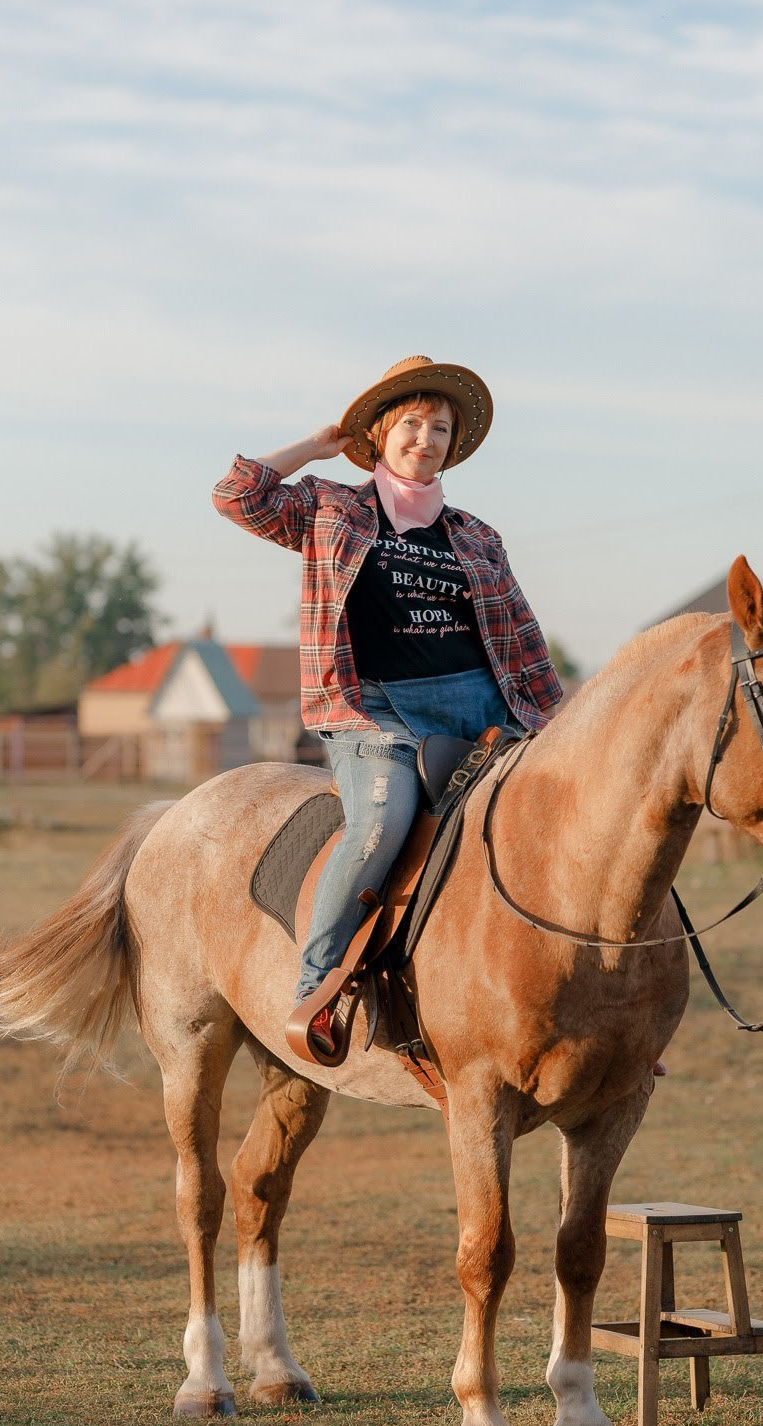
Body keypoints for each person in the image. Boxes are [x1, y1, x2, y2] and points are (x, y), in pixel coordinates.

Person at [212, 356, 562, 1055]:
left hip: (480, 706)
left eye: (440, 427)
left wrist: (557, 732)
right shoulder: (329, 508)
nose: (425, 439)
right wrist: (318, 444)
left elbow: (524, 642)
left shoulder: (477, 536)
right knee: (382, 822)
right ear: (380, 433)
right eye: (411, 424)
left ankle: (596, 1002)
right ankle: (317, 985)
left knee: (570, 821)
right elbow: (236, 494)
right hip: (375, 711)